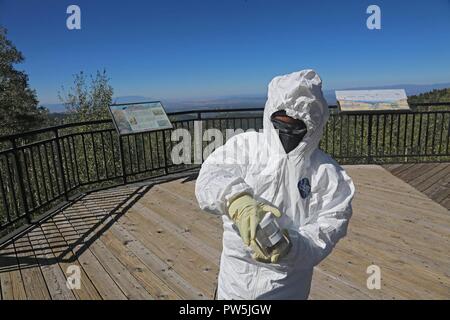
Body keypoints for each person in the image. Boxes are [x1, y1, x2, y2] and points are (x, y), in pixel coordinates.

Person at [195, 69, 355, 300]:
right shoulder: (246, 146)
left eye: (296, 126)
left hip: (286, 288)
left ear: (314, 125)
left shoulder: (329, 175)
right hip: (233, 283)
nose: (287, 133)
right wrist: (237, 199)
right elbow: (211, 176)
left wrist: (291, 247)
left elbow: (329, 228)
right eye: (280, 124)